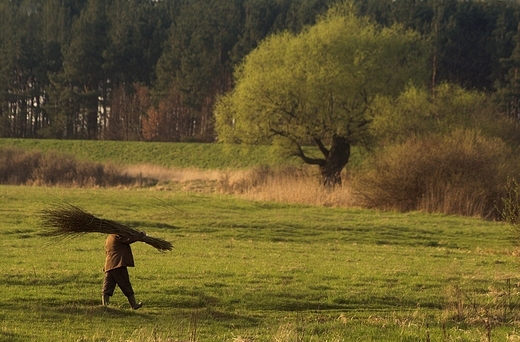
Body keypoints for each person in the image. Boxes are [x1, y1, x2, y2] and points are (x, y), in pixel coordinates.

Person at [102, 232, 146, 309]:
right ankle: (134, 305)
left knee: (107, 286)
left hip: (109, 265)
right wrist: (140, 235)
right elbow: (128, 239)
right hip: (118, 264)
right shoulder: (117, 235)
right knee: (125, 284)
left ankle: (104, 306)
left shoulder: (108, 238)